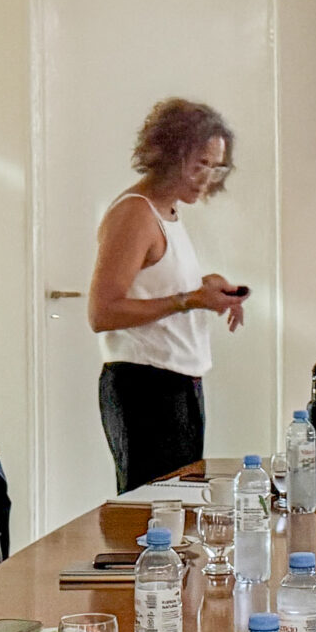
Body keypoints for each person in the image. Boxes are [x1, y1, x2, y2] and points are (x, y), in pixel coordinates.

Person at [87, 98, 250, 490]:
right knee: (155, 507)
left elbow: (158, 283)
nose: (206, 177)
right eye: (199, 164)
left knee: (180, 501)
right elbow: (102, 312)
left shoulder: (168, 213)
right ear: (168, 155)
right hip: (144, 385)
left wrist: (204, 288)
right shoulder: (135, 214)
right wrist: (189, 300)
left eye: (215, 167)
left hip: (179, 382)